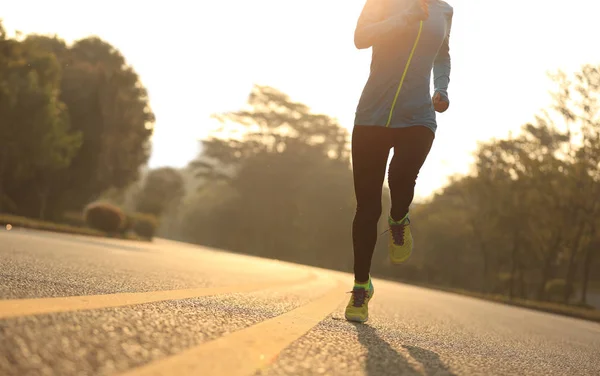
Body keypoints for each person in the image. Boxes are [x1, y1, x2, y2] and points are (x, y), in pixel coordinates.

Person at [345, 0, 453, 323]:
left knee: (401, 176)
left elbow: (442, 54)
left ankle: (398, 220)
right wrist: (402, 18)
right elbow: (361, 37)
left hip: (418, 116)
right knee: (367, 209)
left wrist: (442, 88)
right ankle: (361, 287)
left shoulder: (444, 10)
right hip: (371, 116)